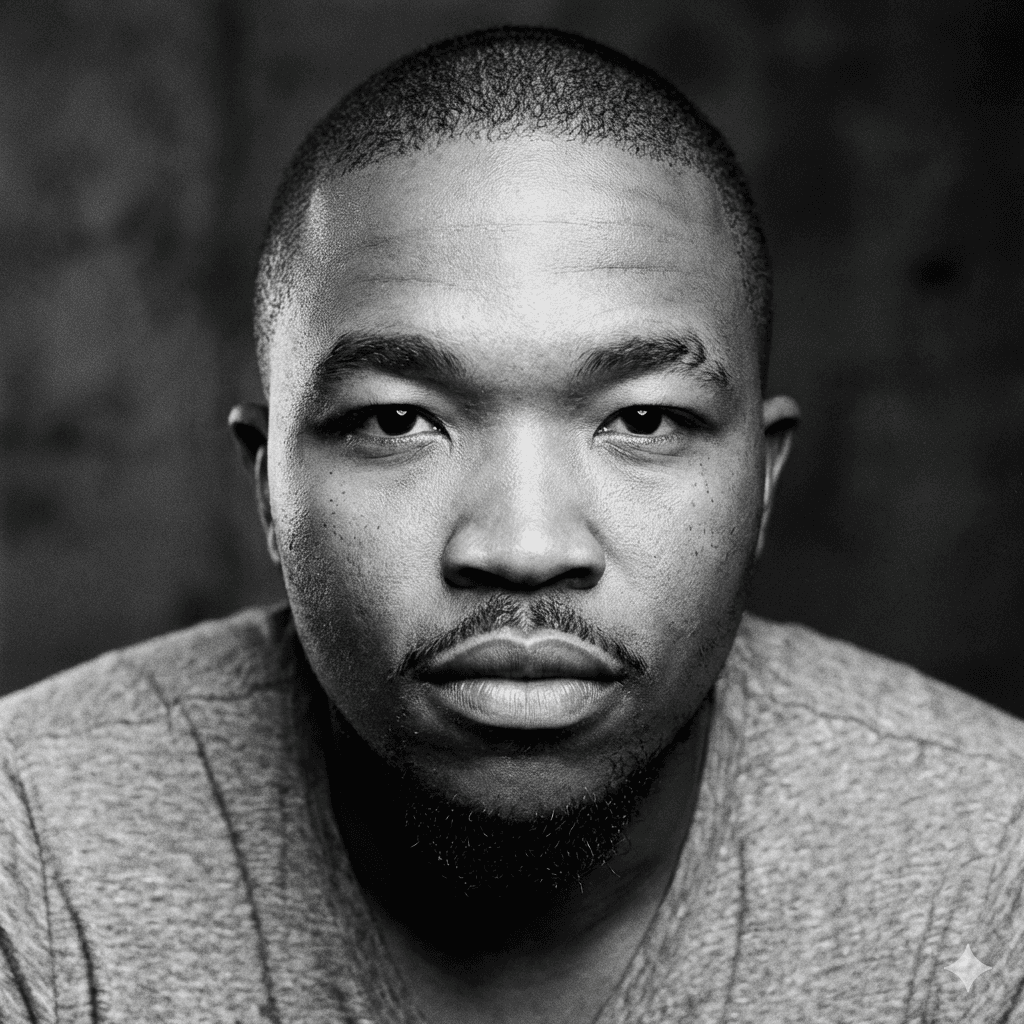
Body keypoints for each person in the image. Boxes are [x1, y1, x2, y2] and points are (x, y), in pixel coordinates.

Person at [1, 26, 1021, 1024]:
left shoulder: (988, 865)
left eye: (643, 419)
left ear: (760, 480)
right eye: (397, 420)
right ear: (269, 487)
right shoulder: (34, 852)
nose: (525, 547)